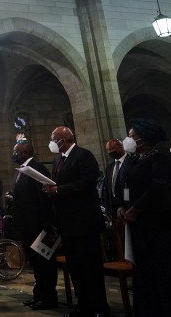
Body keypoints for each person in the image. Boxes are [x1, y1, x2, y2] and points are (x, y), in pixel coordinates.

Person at [44, 126, 109, 317]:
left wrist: (59, 190)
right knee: (76, 269)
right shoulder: (58, 160)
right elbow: (58, 185)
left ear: (63, 140)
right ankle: (83, 306)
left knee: (91, 268)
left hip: (85, 222)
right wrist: (50, 190)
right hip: (68, 224)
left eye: (53, 139)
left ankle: (99, 308)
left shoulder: (83, 155)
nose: (52, 143)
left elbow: (87, 182)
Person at [117, 118, 171, 317]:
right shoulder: (135, 159)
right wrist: (122, 206)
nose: (129, 139)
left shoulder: (161, 158)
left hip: (157, 224)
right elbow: (125, 185)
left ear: (144, 138)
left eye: (132, 136)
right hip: (138, 225)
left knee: (160, 270)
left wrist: (136, 208)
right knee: (143, 271)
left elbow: (159, 188)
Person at [11, 141, 58, 310]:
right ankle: (39, 295)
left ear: (24, 153)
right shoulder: (22, 171)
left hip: (39, 225)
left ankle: (49, 298)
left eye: (16, 152)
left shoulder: (36, 168)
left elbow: (43, 197)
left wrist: (46, 223)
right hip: (27, 226)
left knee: (44, 264)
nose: (14, 155)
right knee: (36, 265)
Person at [102, 139, 134, 219]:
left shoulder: (132, 162)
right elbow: (107, 190)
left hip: (129, 207)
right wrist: (108, 210)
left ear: (121, 147)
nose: (110, 152)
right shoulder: (109, 168)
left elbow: (128, 187)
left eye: (112, 149)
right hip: (113, 211)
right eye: (108, 150)